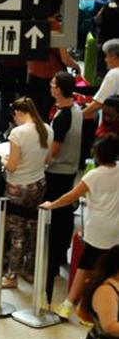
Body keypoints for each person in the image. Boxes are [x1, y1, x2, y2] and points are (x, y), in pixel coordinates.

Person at [44, 135, 119, 321]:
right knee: (109, 270)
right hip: (115, 232)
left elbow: (71, 196)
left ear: (98, 155)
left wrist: (52, 205)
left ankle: (70, 304)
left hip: (97, 231)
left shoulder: (93, 175)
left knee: (85, 267)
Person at [41, 72, 85, 305]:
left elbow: (54, 151)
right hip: (70, 169)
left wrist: (41, 159)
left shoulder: (62, 118)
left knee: (58, 213)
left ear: (59, 89)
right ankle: (60, 252)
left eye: (53, 83)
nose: (50, 86)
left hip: (58, 170)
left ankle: (54, 257)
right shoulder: (76, 109)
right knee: (65, 212)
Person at [1, 97, 50, 289]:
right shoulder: (47, 129)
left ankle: (11, 274)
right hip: (39, 184)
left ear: (18, 113)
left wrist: (4, 160)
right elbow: (47, 160)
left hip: (18, 186)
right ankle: (30, 271)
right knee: (33, 229)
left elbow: (12, 166)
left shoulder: (18, 133)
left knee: (17, 232)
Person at [85, 40, 119, 120]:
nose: (105, 60)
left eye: (107, 56)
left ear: (114, 57)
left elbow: (99, 103)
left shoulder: (114, 73)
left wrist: (77, 116)